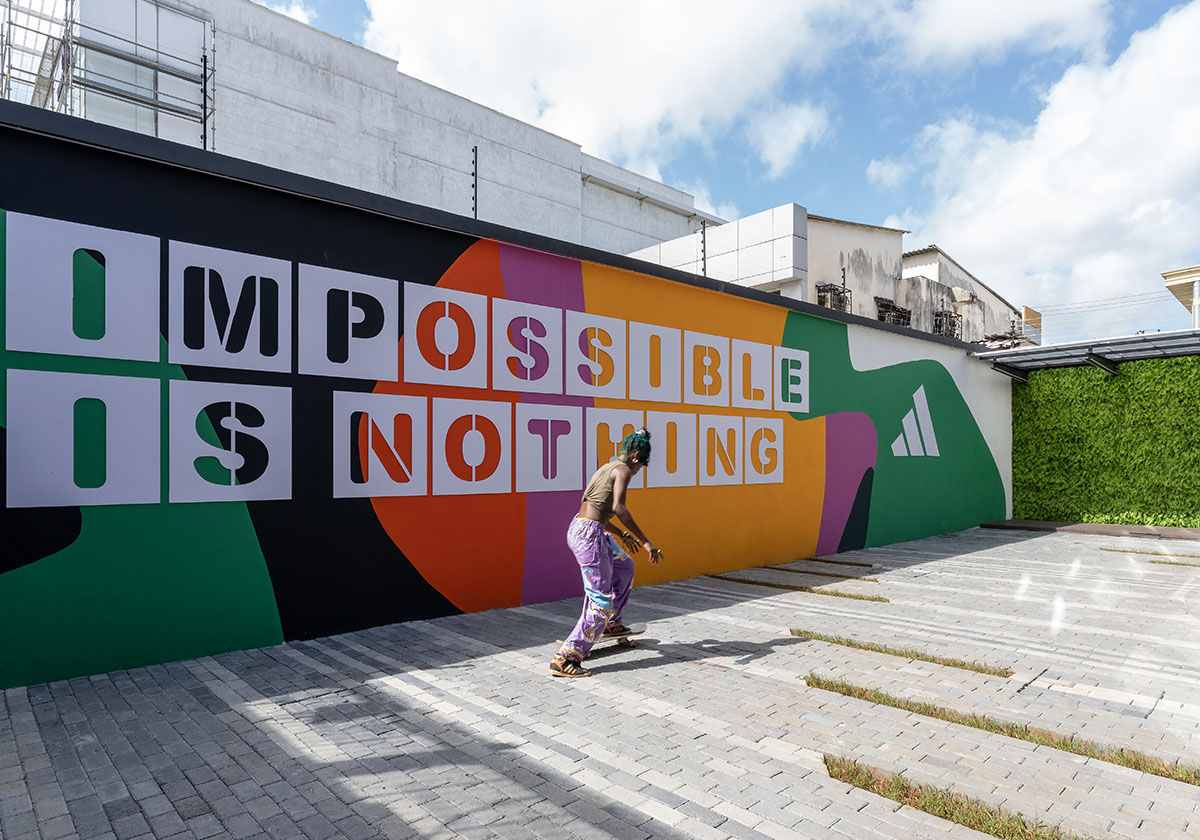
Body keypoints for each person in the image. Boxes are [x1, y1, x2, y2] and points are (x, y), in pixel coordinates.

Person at [550, 428, 664, 677]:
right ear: (634, 456)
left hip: (585, 528)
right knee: (600, 601)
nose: (637, 471)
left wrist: (621, 534)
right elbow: (618, 507)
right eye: (640, 465)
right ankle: (566, 657)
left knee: (625, 567)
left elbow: (595, 508)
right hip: (590, 536)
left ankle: (612, 624)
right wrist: (646, 542)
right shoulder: (622, 470)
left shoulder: (606, 467)